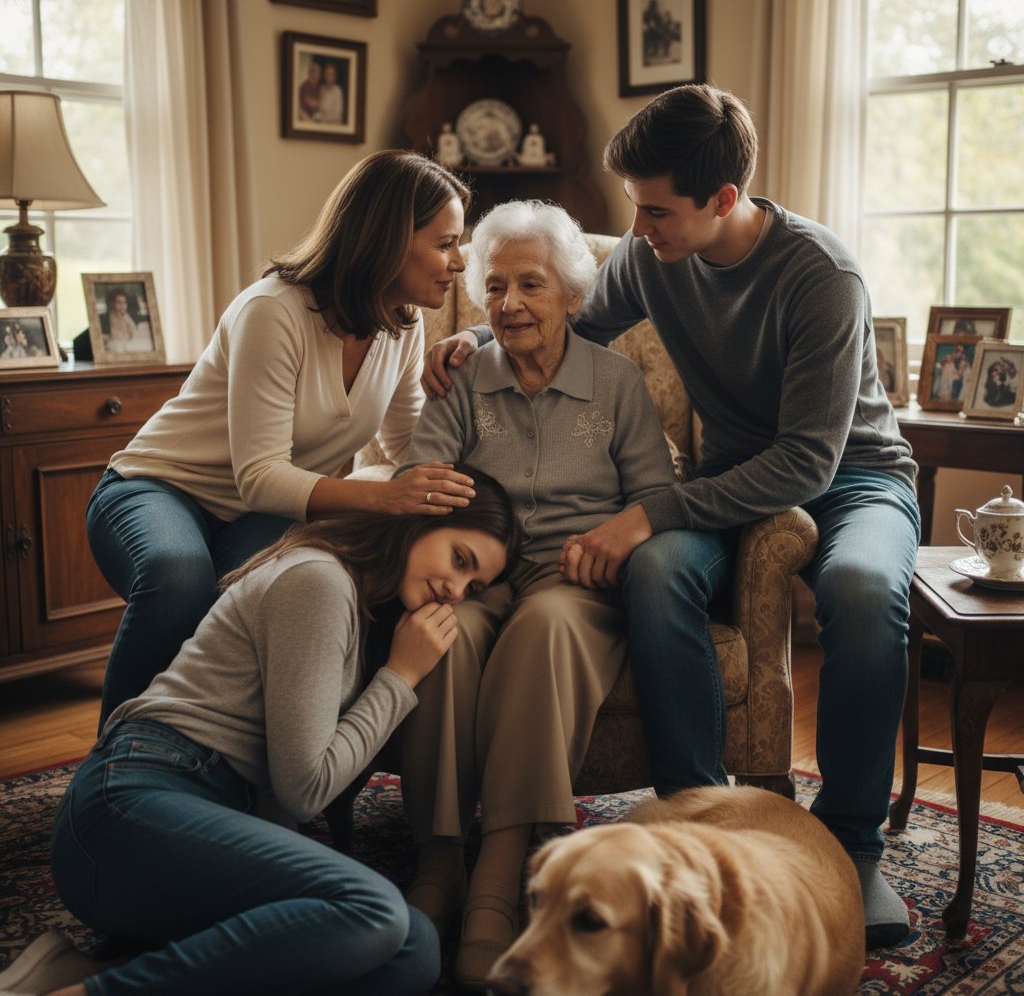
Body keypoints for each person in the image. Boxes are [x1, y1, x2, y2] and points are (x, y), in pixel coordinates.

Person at [422, 85, 921, 951]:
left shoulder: (821, 277)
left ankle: (850, 844)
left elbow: (808, 461)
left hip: (853, 476)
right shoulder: (653, 255)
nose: (638, 228)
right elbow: (565, 319)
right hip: (729, 476)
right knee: (656, 572)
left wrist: (649, 510)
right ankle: (696, 817)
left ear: (723, 201)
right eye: (635, 209)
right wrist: (479, 339)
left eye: (655, 211)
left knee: (866, 591)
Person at [0, 469, 522, 996]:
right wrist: (401, 677)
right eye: (459, 560)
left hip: (216, 812)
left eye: (472, 587)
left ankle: (93, 972)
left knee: (414, 955)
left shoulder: (362, 607)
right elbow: (304, 790)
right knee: (376, 912)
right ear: (416, 521)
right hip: (129, 807)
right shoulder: (320, 580)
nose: (455, 591)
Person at [87, 150, 473, 728]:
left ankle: (226, 769)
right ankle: (116, 766)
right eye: (445, 243)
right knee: (180, 575)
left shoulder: (403, 325)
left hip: (258, 516)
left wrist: (469, 360)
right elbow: (260, 475)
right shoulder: (274, 312)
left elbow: (408, 446)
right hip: (157, 488)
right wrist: (382, 496)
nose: (459, 262)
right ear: (389, 239)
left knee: (274, 600)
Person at [397, 199, 676, 988]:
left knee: (543, 629)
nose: (510, 303)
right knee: (440, 629)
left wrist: (613, 539)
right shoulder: (458, 376)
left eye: (531, 284)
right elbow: (424, 484)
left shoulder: (618, 384)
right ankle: (438, 856)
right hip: (478, 571)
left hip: (576, 577)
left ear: (573, 295)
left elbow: (653, 497)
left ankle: (499, 865)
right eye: (494, 287)